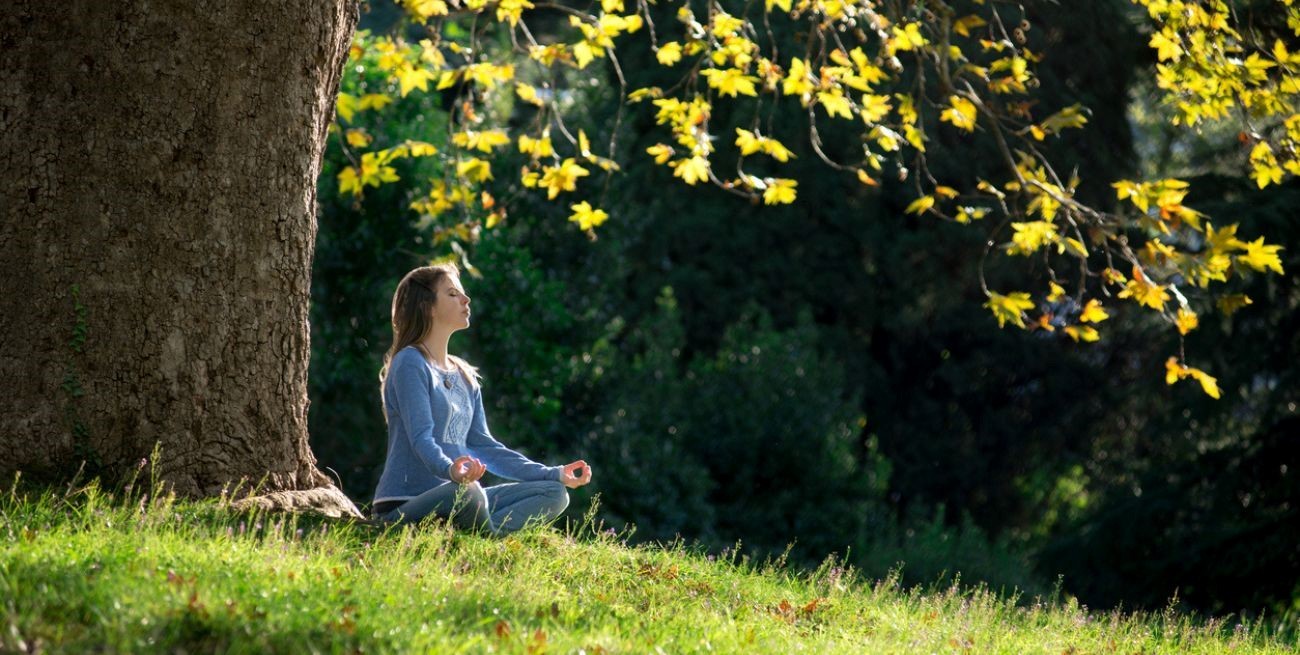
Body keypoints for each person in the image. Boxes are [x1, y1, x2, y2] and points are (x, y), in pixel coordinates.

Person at [370, 263, 592, 534]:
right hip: (405, 505)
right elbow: (420, 438)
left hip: (460, 499)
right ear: (426, 306)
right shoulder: (410, 363)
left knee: (555, 494)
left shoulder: (464, 374)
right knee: (470, 493)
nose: (466, 299)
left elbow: (484, 446)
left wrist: (553, 473)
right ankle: (491, 538)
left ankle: (479, 532)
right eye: (452, 294)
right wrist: (451, 471)